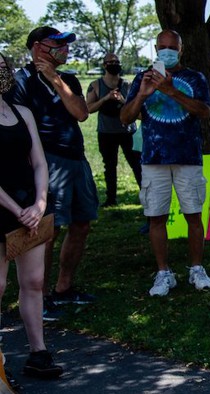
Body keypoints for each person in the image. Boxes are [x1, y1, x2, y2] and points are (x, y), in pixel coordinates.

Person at [120, 30, 210, 297]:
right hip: (154, 158)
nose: (167, 51)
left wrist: (171, 90)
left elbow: (205, 111)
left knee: (193, 215)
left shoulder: (195, 78)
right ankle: (163, 273)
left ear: (181, 48)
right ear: (155, 48)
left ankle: (196, 268)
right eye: (162, 47)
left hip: (188, 157)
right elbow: (125, 118)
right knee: (155, 218)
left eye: (172, 47)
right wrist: (142, 94)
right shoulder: (142, 78)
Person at [12, 26, 97, 320]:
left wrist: (55, 79)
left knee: (82, 224)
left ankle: (64, 287)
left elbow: (81, 112)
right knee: (49, 230)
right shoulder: (19, 81)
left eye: (66, 44)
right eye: (57, 44)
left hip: (77, 160)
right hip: (48, 162)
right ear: (38, 48)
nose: (65, 48)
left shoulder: (67, 78)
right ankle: (41, 296)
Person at [0, 52, 64, 380]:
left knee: (35, 282)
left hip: (30, 207)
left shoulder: (21, 113)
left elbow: (39, 162)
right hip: (5, 209)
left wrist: (39, 204)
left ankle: (38, 353)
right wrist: (16, 210)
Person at [86, 54, 142, 207]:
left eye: (117, 62)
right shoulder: (96, 85)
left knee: (137, 164)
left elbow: (138, 110)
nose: (114, 64)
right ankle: (111, 199)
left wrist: (122, 100)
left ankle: (146, 195)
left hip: (128, 132)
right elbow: (88, 109)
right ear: (104, 65)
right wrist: (105, 98)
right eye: (110, 62)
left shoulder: (128, 85)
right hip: (106, 133)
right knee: (109, 166)